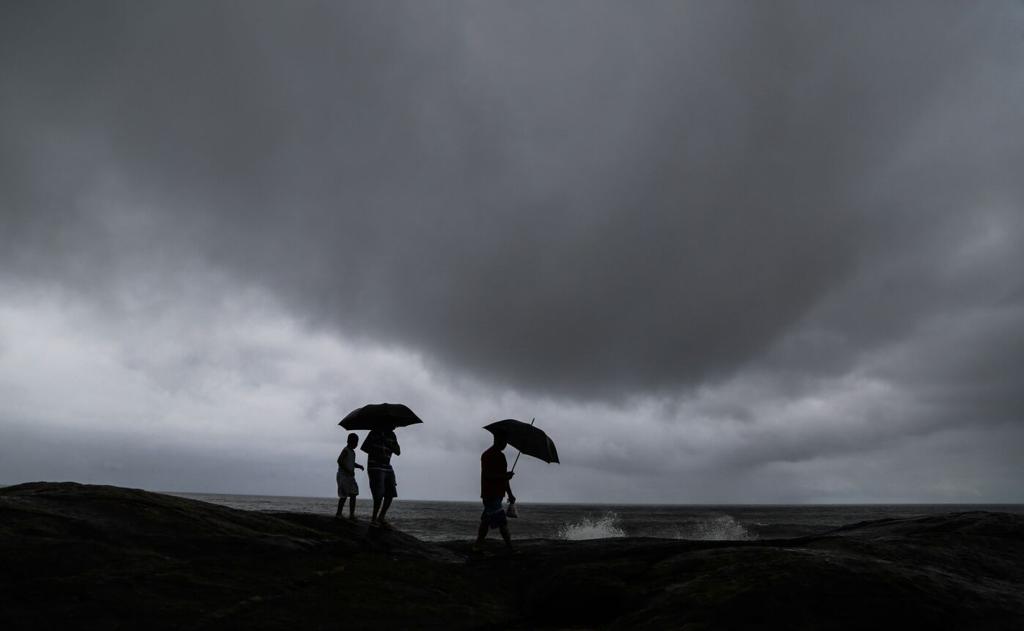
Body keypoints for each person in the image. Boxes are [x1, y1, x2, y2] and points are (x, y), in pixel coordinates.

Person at [475, 433, 516, 552]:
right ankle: (510, 548)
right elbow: (488, 476)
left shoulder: (502, 457)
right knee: (502, 522)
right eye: (503, 441)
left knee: (485, 521)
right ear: (496, 440)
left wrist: (510, 494)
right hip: (490, 495)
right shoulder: (487, 455)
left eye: (506, 442)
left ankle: (477, 546)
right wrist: (504, 476)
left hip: (497, 495)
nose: (505, 444)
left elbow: (504, 479)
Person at [361, 424, 400, 528]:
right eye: (393, 424)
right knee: (378, 493)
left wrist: (387, 442)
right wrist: (378, 442)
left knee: (390, 493)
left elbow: (398, 451)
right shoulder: (374, 432)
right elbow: (365, 448)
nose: (395, 426)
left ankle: (381, 517)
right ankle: (374, 519)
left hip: (387, 466)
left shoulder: (392, 435)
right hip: (375, 466)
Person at [336, 432, 364, 519]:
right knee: (343, 496)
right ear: (349, 441)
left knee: (353, 494)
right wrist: (347, 470)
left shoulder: (353, 452)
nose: (356, 444)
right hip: (343, 476)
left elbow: (351, 463)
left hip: (350, 477)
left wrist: (359, 466)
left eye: (357, 442)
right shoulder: (346, 450)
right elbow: (339, 461)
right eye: (355, 442)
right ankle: (338, 514)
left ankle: (351, 515)